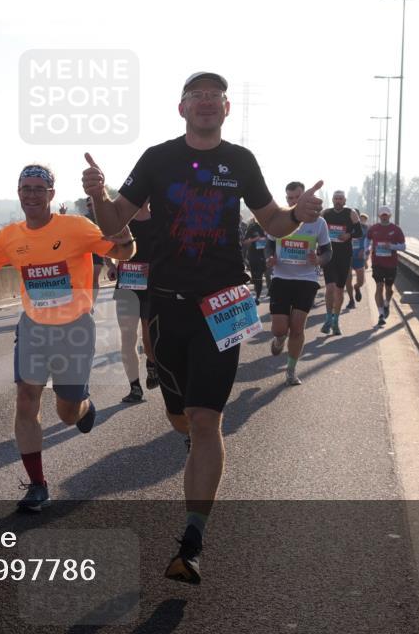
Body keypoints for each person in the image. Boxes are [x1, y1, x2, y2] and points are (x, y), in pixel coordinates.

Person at [82, 71, 323, 584]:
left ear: (226, 109)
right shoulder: (157, 158)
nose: (207, 102)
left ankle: (191, 542)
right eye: (198, 96)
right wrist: (99, 194)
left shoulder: (241, 161)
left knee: (206, 418)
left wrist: (297, 215)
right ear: (182, 108)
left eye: (216, 96)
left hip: (223, 302)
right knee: (180, 417)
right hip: (166, 306)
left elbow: (273, 223)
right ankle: (190, 443)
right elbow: (113, 223)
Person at [0, 164, 135, 512]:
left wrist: (123, 233)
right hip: (34, 328)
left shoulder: (76, 227)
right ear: (18, 192)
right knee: (26, 399)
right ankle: (37, 485)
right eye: (26, 188)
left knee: (67, 414)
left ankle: (83, 406)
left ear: (52, 194)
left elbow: (124, 252)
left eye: (40, 188)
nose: (32, 194)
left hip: (75, 329)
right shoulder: (11, 236)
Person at [265, 182, 332, 385]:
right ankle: (279, 339)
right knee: (279, 328)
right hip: (281, 278)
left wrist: (318, 260)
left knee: (297, 328)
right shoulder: (280, 218)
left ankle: (291, 371)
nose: (294, 201)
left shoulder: (319, 222)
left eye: (297, 197)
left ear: (305, 198)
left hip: (306, 279)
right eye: (290, 198)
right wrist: (270, 258)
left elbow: (328, 251)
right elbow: (269, 245)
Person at [106, 199, 159, 402]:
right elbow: (107, 247)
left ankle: (152, 364)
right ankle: (135, 387)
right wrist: (111, 265)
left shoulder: (160, 219)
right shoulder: (122, 222)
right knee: (128, 337)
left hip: (152, 285)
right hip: (127, 284)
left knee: (149, 335)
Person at [320, 190, 361, 336]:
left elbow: (359, 232)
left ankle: (336, 320)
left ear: (344, 200)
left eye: (340, 199)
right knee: (330, 287)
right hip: (329, 255)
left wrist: (349, 235)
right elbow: (317, 231)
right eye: (336, 198)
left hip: (344, 256)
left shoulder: (351, 213)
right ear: (332, 200)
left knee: (339, 289)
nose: (338, 201)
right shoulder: (325, 213)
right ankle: (328, 318)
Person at [367, 205, 406, 326]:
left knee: (389, 289)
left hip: (391, 264)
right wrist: (365, 250)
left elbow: (403, 247)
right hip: (377, 262)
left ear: (390, 216)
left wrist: (392, 246)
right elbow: (367, 240)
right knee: (379, 287)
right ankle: (381, 315)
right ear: (379, 216)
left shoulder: (396, 229)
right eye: (382, 215)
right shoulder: (374, 228)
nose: (384, 217)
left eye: (386, 215)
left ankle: (387, 303)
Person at [346, 211, 370, 308]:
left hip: (359, 257)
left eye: (355, 216)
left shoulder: (364, 228)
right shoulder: (345, 226)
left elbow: (368, 241)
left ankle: (357, 287)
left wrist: (364, 250)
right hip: (347, 257)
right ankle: (351, 300)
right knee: (348, 280)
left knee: (361, 281)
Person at [242, 219, 269, 304]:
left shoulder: (268, 226)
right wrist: (255, 239)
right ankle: (257, 293)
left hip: (264, 256)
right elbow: (245, 241)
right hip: (253, 256)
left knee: (260, 276)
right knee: (255, 278)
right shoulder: (253, 228)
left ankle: (258, 296)